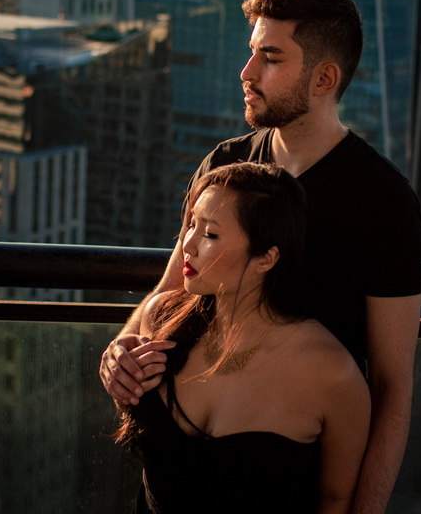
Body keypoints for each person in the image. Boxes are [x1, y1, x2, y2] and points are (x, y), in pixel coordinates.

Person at [102, 0, 421, 514]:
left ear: (324, 78)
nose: (246, 73)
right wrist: (122, 349)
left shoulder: (382, 203)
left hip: (281, 476)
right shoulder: (225, 164)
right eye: (251, 52)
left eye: (269, 58)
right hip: (177, 465)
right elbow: (169, 292)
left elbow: (393, 387)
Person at [116, 161, 370, 513]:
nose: (187, 245)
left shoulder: (332, 372)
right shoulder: (160, 318)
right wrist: (117, 369)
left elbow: (336, 501)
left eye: (210, 234)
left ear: (266, 258)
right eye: (191, 224)